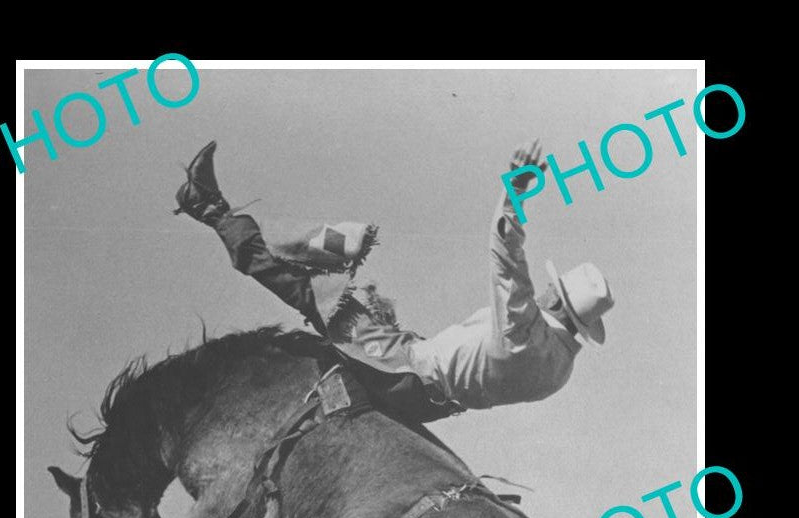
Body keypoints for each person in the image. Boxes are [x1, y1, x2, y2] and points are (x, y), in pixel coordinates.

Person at [173, 140, 614, 422]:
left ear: (558, 302)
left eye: (551, 290)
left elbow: (506, 260)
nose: (545, 292)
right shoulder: (559, 371)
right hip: (427, 397)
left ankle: (210, 209)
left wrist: (515, 193)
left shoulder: (528, 335)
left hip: (405, 371)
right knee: (342, 288)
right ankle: (229, 218)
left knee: (316, 291)